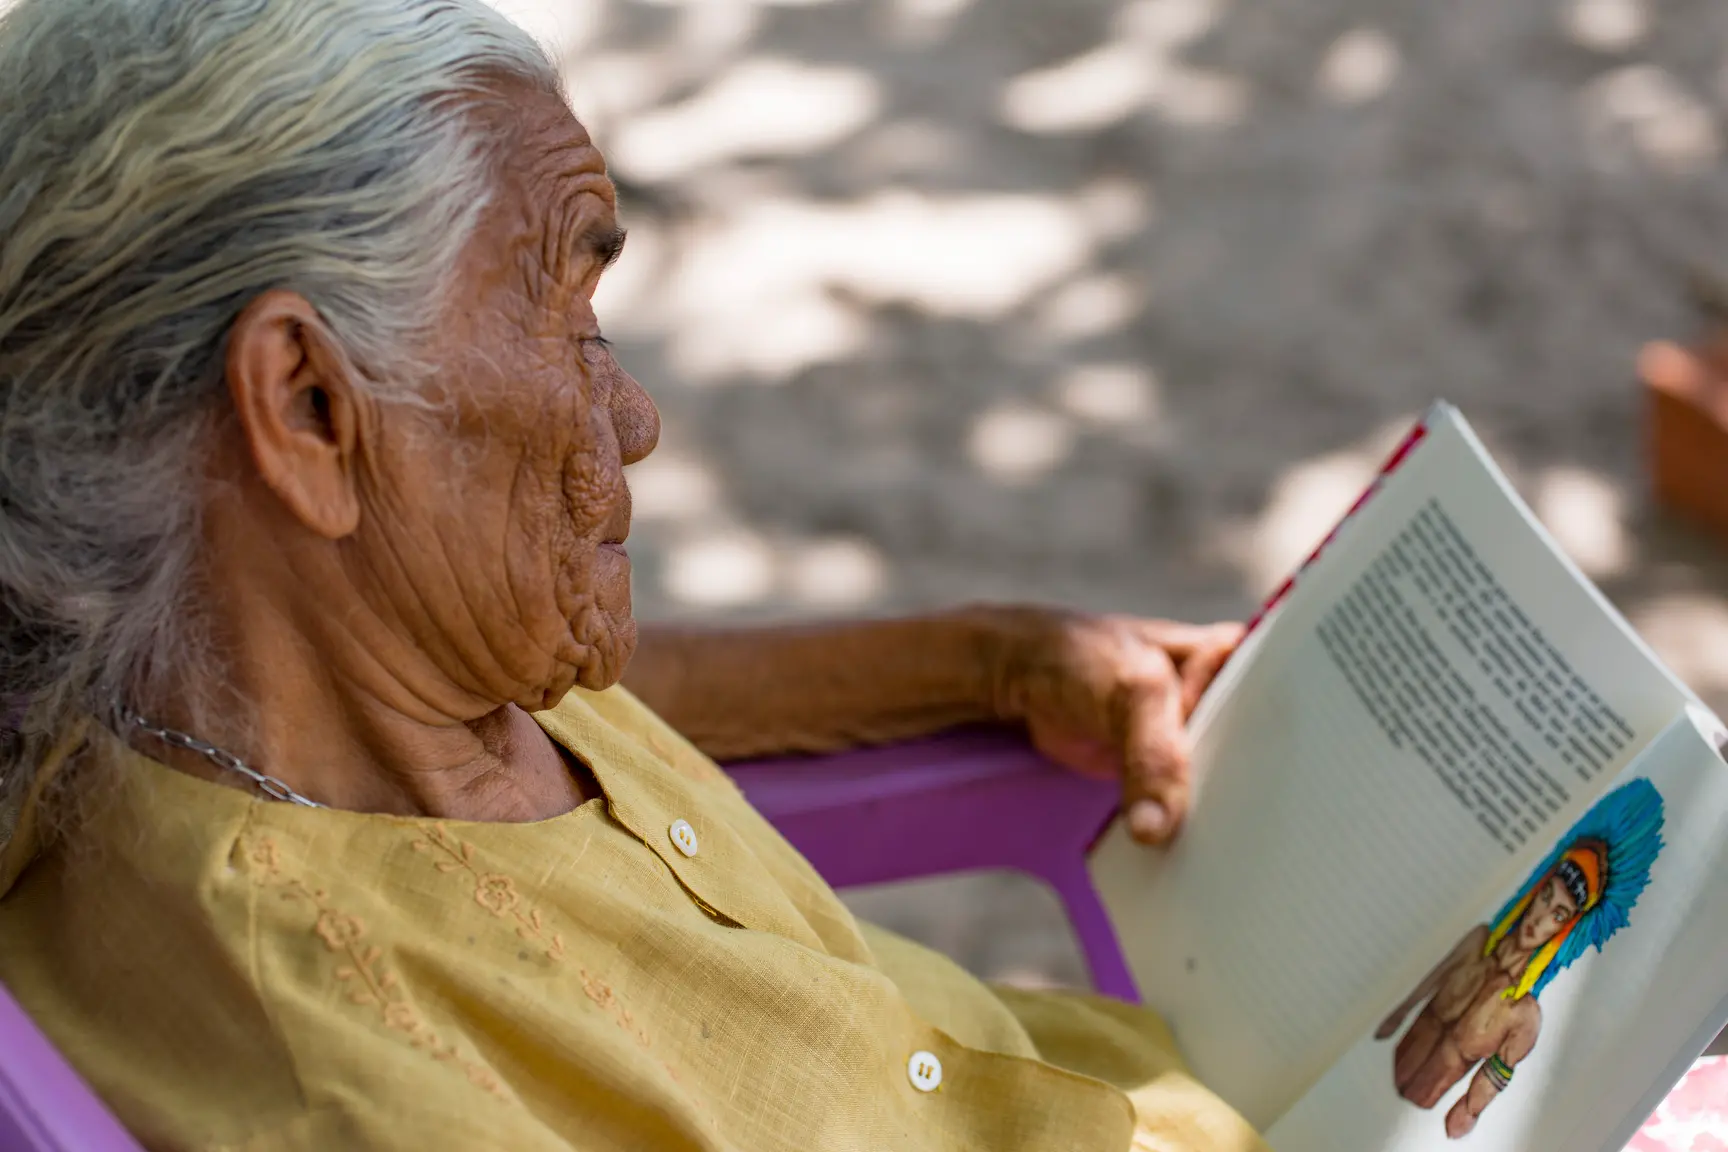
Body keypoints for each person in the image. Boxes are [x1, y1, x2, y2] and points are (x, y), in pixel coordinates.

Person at [0, 1, 1267, 1148]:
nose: (637, 416)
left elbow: (629, 697)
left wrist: (983, 663)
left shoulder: (350, 655)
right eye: (563, 314)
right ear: (311, 406)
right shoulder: (371, 1081)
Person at [1374, 779, 1664, 1139]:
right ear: (1535, 890)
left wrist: (1469, 1112)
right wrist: (1398, 1012)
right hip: (1374, 1073)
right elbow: (1427, 983)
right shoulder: (1477, 941)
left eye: (1558, 914)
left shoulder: (1523, 1017)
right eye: (1546, 897)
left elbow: (1486, 1086)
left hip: (1408, 1127)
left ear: (1566, 929)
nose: (1541, 918)